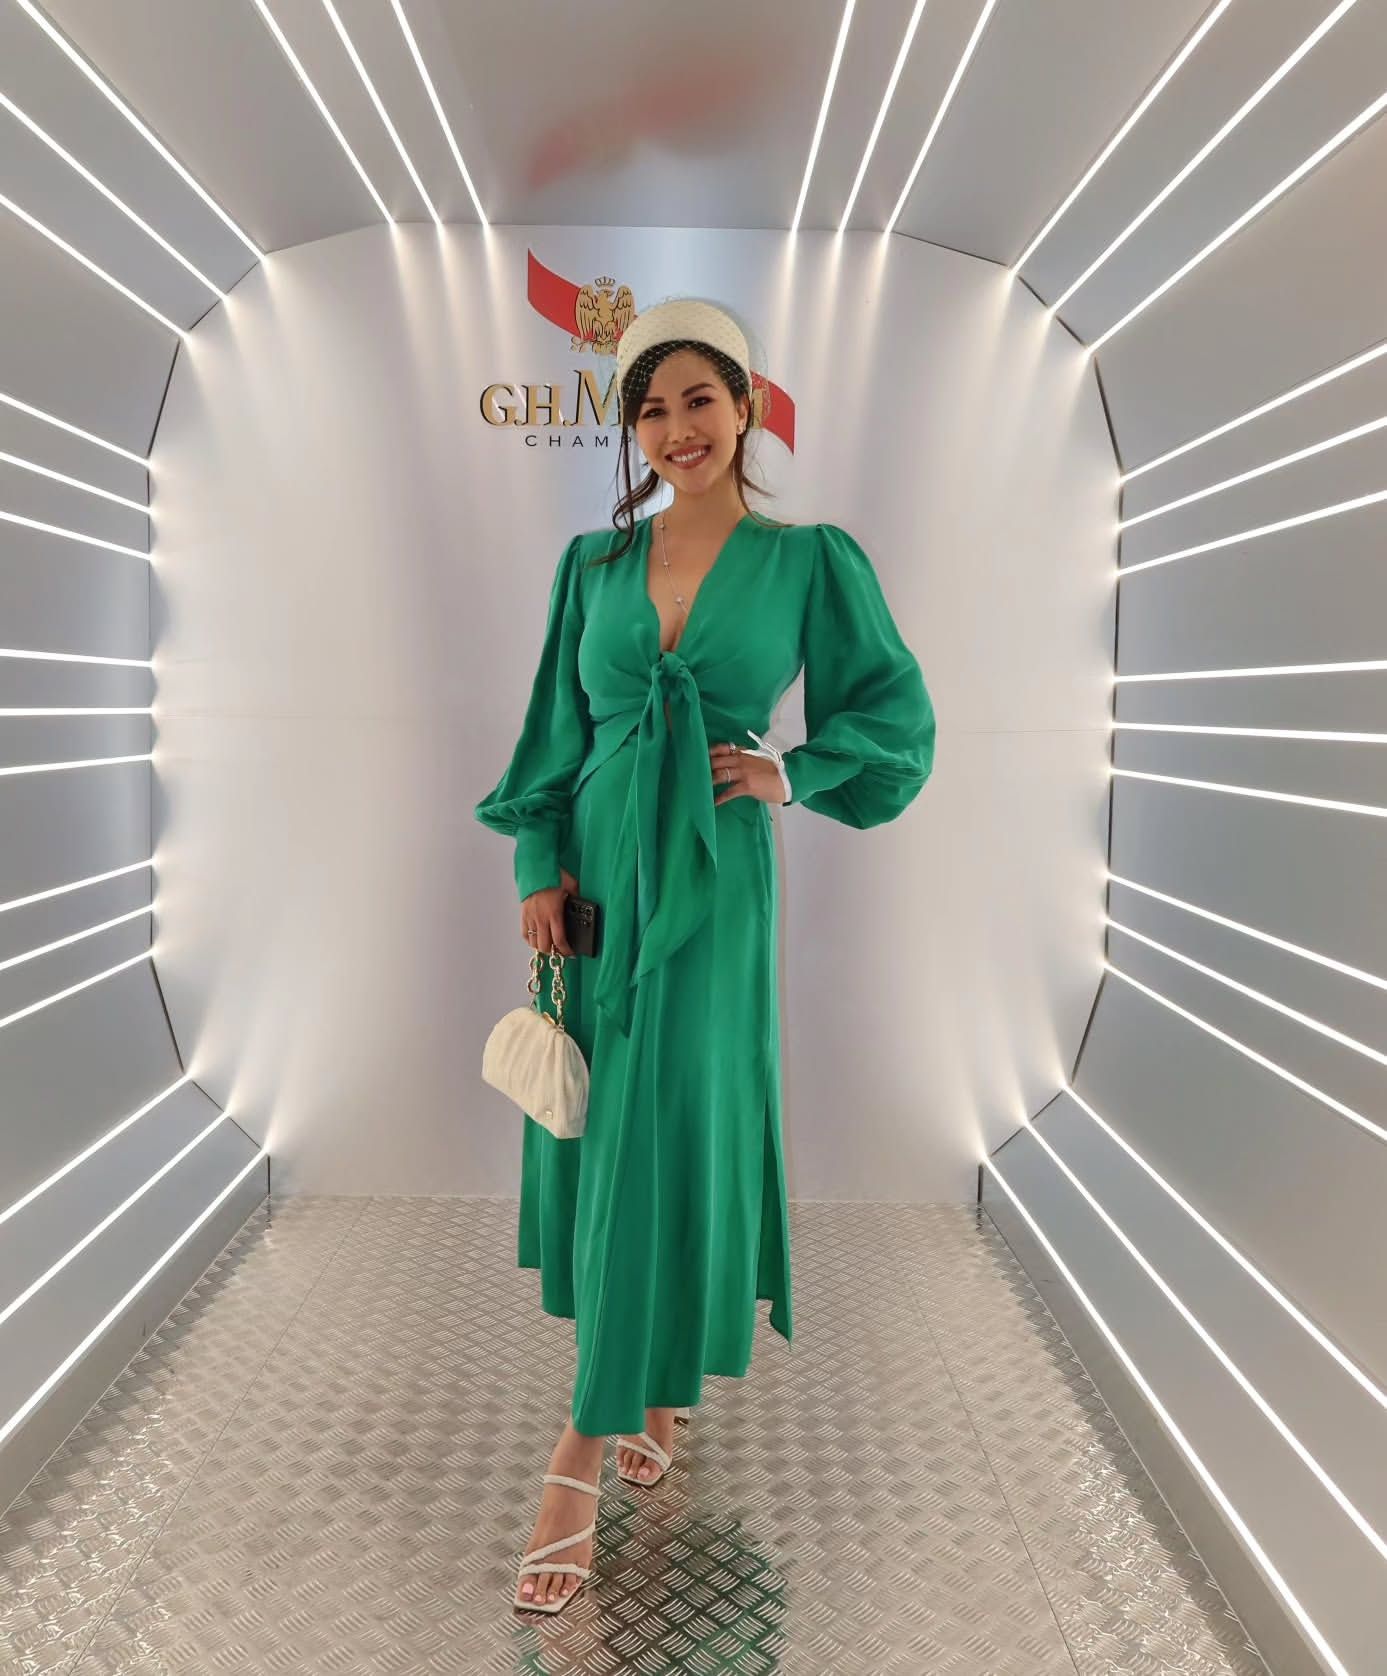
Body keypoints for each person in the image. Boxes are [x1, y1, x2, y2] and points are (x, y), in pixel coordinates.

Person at [474, 296, 937, 1611]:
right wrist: (537, 864)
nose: (676, 428)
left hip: (715, 881)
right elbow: (551, 734)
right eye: (652, 410)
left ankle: (582, 1445)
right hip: (598, 875)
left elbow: (893, 716)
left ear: (745, 408)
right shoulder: (592, 567)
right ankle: (654, 1388)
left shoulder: (809, 562)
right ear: (633, 432)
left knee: (674, 1120)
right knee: (615, 1126)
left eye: (698, 401)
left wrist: (795, 772)